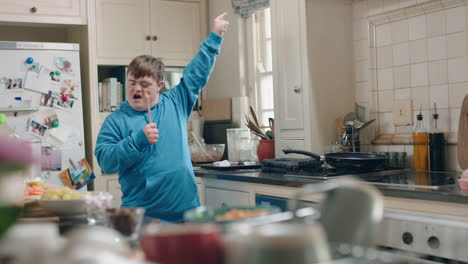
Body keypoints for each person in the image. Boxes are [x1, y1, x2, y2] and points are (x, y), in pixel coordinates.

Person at [94, 13, 229, 222]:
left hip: (187, 213)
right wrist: (137, 141)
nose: (136, 89)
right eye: (131, 82)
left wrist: (215, 36)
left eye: (144, 84)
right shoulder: (115, 120)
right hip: (142, 218)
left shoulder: (177, 102)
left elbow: (196, 73)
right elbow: (106, 162)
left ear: (159, 85)